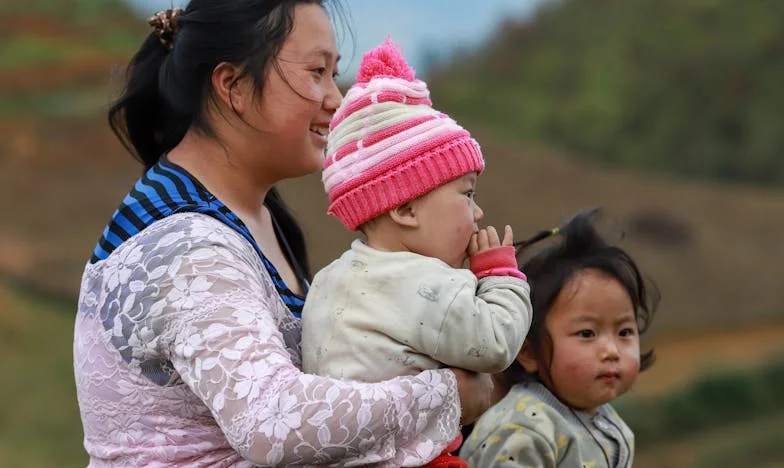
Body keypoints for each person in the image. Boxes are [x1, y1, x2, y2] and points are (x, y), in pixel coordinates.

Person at [72, 2, 494, 466]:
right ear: (232, 85)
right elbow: (274, 423)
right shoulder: (188, 251)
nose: (336, 98)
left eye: (335, 73)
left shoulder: (251, 217)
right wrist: (447, 393)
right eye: (317, 71)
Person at [301, 38, 533, 467]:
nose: (477, 211)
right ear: (406, 208)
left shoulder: (331, 279)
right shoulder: (422, 283)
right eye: (466, 194)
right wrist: (499, 275)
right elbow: (495, 343)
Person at [459, 208, 658, 468]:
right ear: (528, 352)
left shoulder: (604, 421)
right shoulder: (524, 429)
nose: (612, 350)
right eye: (587, 333)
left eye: (624, 332)